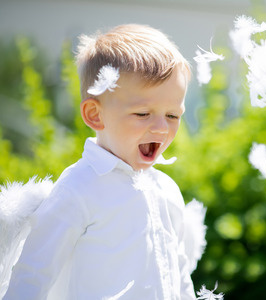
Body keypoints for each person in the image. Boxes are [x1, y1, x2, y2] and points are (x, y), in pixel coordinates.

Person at [3, 23, 198, 299]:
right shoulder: (79, 187)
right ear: (95, 115)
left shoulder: (166, 190)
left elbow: (178, 274)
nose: (161, 128)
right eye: (142, 114)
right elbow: (33, 274)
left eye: (172, 115)